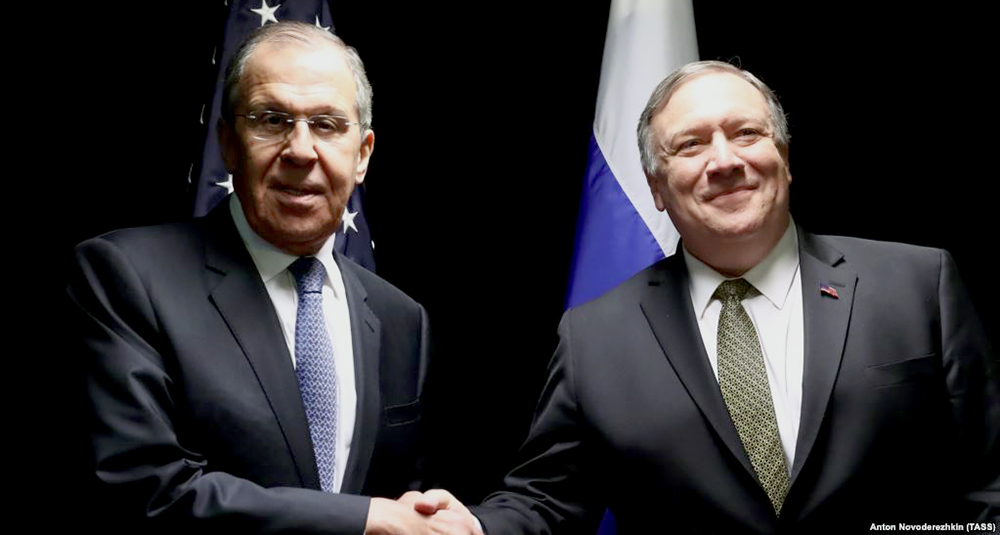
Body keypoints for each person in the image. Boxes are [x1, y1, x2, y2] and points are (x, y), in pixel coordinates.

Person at [406, 61, 999, 533]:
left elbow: (987, 483)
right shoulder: (595, 337)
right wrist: (475, 528)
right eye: (690, 145)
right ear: (657, 188)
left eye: (746, 133)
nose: (725, 161)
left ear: (784, 157)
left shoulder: (918, 283)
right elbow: (548, 502)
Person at [68, 21, 474, 535]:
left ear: (363, 154)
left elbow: (407, 501)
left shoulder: (402, 319)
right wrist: (365, 518)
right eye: (272, 120)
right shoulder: (126, 276)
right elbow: (144, 490)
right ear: (227, 143)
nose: (301, 150)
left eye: (327, 124)